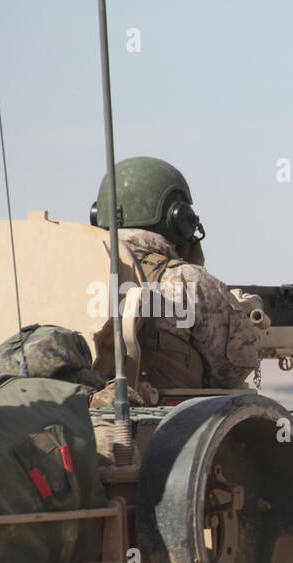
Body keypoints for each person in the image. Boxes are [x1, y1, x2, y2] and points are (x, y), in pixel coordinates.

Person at [90, 156, 258, 391]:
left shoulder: (72, 270)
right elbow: (233, 370)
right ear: (179, 218)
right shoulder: (186, 281)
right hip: (166, 423)